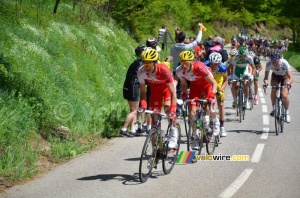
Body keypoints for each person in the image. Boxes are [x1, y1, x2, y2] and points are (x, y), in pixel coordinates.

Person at [176, 50, 219, 151]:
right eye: (182, 62)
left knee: (209, 107)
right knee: (191, 112)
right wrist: (185, 94)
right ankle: (196, 136)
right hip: (195, 87)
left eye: (186, 63)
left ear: (191, 62)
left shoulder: (200, 67)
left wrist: (211, 97)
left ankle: (215, 121)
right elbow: (184, 84)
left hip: (207, 85)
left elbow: (214, 83)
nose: (184, 65)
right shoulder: (179, 70)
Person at [137, 48, 178, 149]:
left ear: (155, 63)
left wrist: (173, 109)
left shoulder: (163, 70)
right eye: (145, 64)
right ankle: (155, 149)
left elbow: (173, 92)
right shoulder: (141, 72)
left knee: (168, 111)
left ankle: (173, 132)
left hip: (167, 89)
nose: (146, 67)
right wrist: (143, 105)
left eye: (149, 64)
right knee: (154, 119)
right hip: (155, 92)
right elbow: (142, 92)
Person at [170, 23, 205, 115]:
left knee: (176, 90)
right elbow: (198, 40)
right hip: (186, 69)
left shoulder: (172, 47)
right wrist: (200, 29)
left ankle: (177, 109)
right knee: (188, 88)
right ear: (184, 39)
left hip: (175, 69)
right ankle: (188, 106)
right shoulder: (186, 47)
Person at [120, 45, 149, 137]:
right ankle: (124, 128)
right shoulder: (141, 64)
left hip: (128, 86)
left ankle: (132, 129)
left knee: (132, 109)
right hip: (133, 87)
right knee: (135, 111)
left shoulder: (136, 62)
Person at [263, 49, 293, 123]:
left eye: (275, 59)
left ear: (279, 58)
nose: (273, 61)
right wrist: (265, 83)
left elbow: (291, 77)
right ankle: (274, 108)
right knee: (273, 90)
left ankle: (286, 113)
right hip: (275, 76)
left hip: (285, 77)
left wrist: (288, 83)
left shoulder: (284, 63)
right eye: (272, 59)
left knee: (284, 95)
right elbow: (266, 78)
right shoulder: (268, 63)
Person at [204, 52, 228, 137]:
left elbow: (226, 80)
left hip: (218, 84)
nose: (213, 66)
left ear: (219, 63)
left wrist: (221, 89)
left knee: (221, 103)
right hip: (208, 84)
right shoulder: (205, 65)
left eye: (216, 64)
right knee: (206, 103)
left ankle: (222, 125)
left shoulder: (223, 67)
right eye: (212, 64)